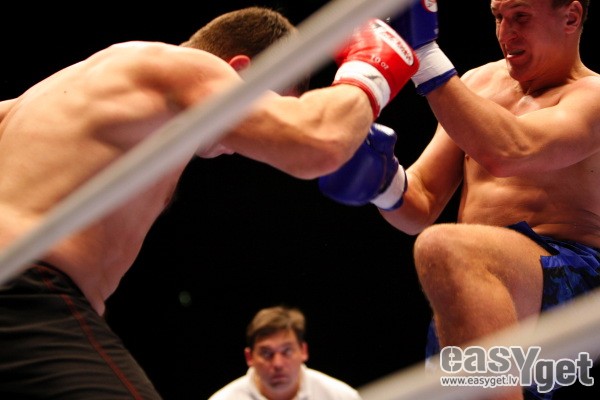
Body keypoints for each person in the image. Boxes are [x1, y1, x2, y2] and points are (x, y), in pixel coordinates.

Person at [0, 6, 419, 399]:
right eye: (273, 104)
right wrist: (371, 70)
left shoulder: (57, 93)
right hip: (25, 289)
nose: (242, 147)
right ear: (240, 72)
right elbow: (317, 142)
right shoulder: (188, 66)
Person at [318, 0, 600, 399]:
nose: (506, 33)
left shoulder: (593, 96)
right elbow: (421, 201)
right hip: (474, 285)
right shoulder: (479, 84)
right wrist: (381, 181)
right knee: (447, 253)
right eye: (498, 17)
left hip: (569, 281)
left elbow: (513, 150)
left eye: (521, 16)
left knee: (443, 247)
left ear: (570, 17)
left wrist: (422, 55)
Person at [208, 305, 362, 400]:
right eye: (266, 353)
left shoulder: (341, 396)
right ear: (249, 357)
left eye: (287, 351)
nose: (278, 363)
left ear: (303, 351)